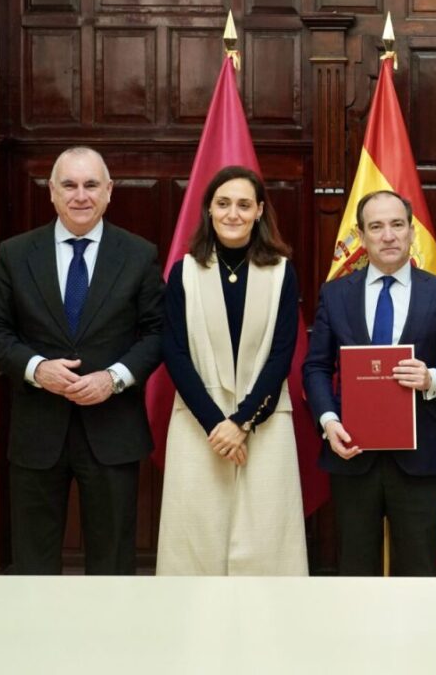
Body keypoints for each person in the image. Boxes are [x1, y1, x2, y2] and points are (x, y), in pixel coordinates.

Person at [0, 146, 163, 574]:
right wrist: (36, 369)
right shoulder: (15, 253)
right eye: (70, 185)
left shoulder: (138, 254)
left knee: (113, 566)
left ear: (109, 191)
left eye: (91, 185)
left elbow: (158, 332)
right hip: (38, 432)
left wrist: (114, 378)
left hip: (112, 431)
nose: (81, 195)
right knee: (33, 566)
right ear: (52, 192)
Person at [303, 190, 436, 576]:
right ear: (362, 236)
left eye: (397, 225)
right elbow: (315, 367)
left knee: (418, 572)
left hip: (420, 457)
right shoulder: (335, 294)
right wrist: (328, 421)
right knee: (356, 572)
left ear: (412, 232)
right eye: (377, 227)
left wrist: (433, 378)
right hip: (352, 453)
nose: (388, 236)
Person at [156, 166, 307, 575]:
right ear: (209, 209)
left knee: (267, 547)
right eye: (223, 203)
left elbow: (281, 355)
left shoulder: (281, 272)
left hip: (264, 423)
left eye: (243, 204)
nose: (233, 213)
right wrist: (217, 424)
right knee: (195, 548)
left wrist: (241, 422)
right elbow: (174, 352)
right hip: (199, 425)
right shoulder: (185, 272)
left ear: (259, 211)